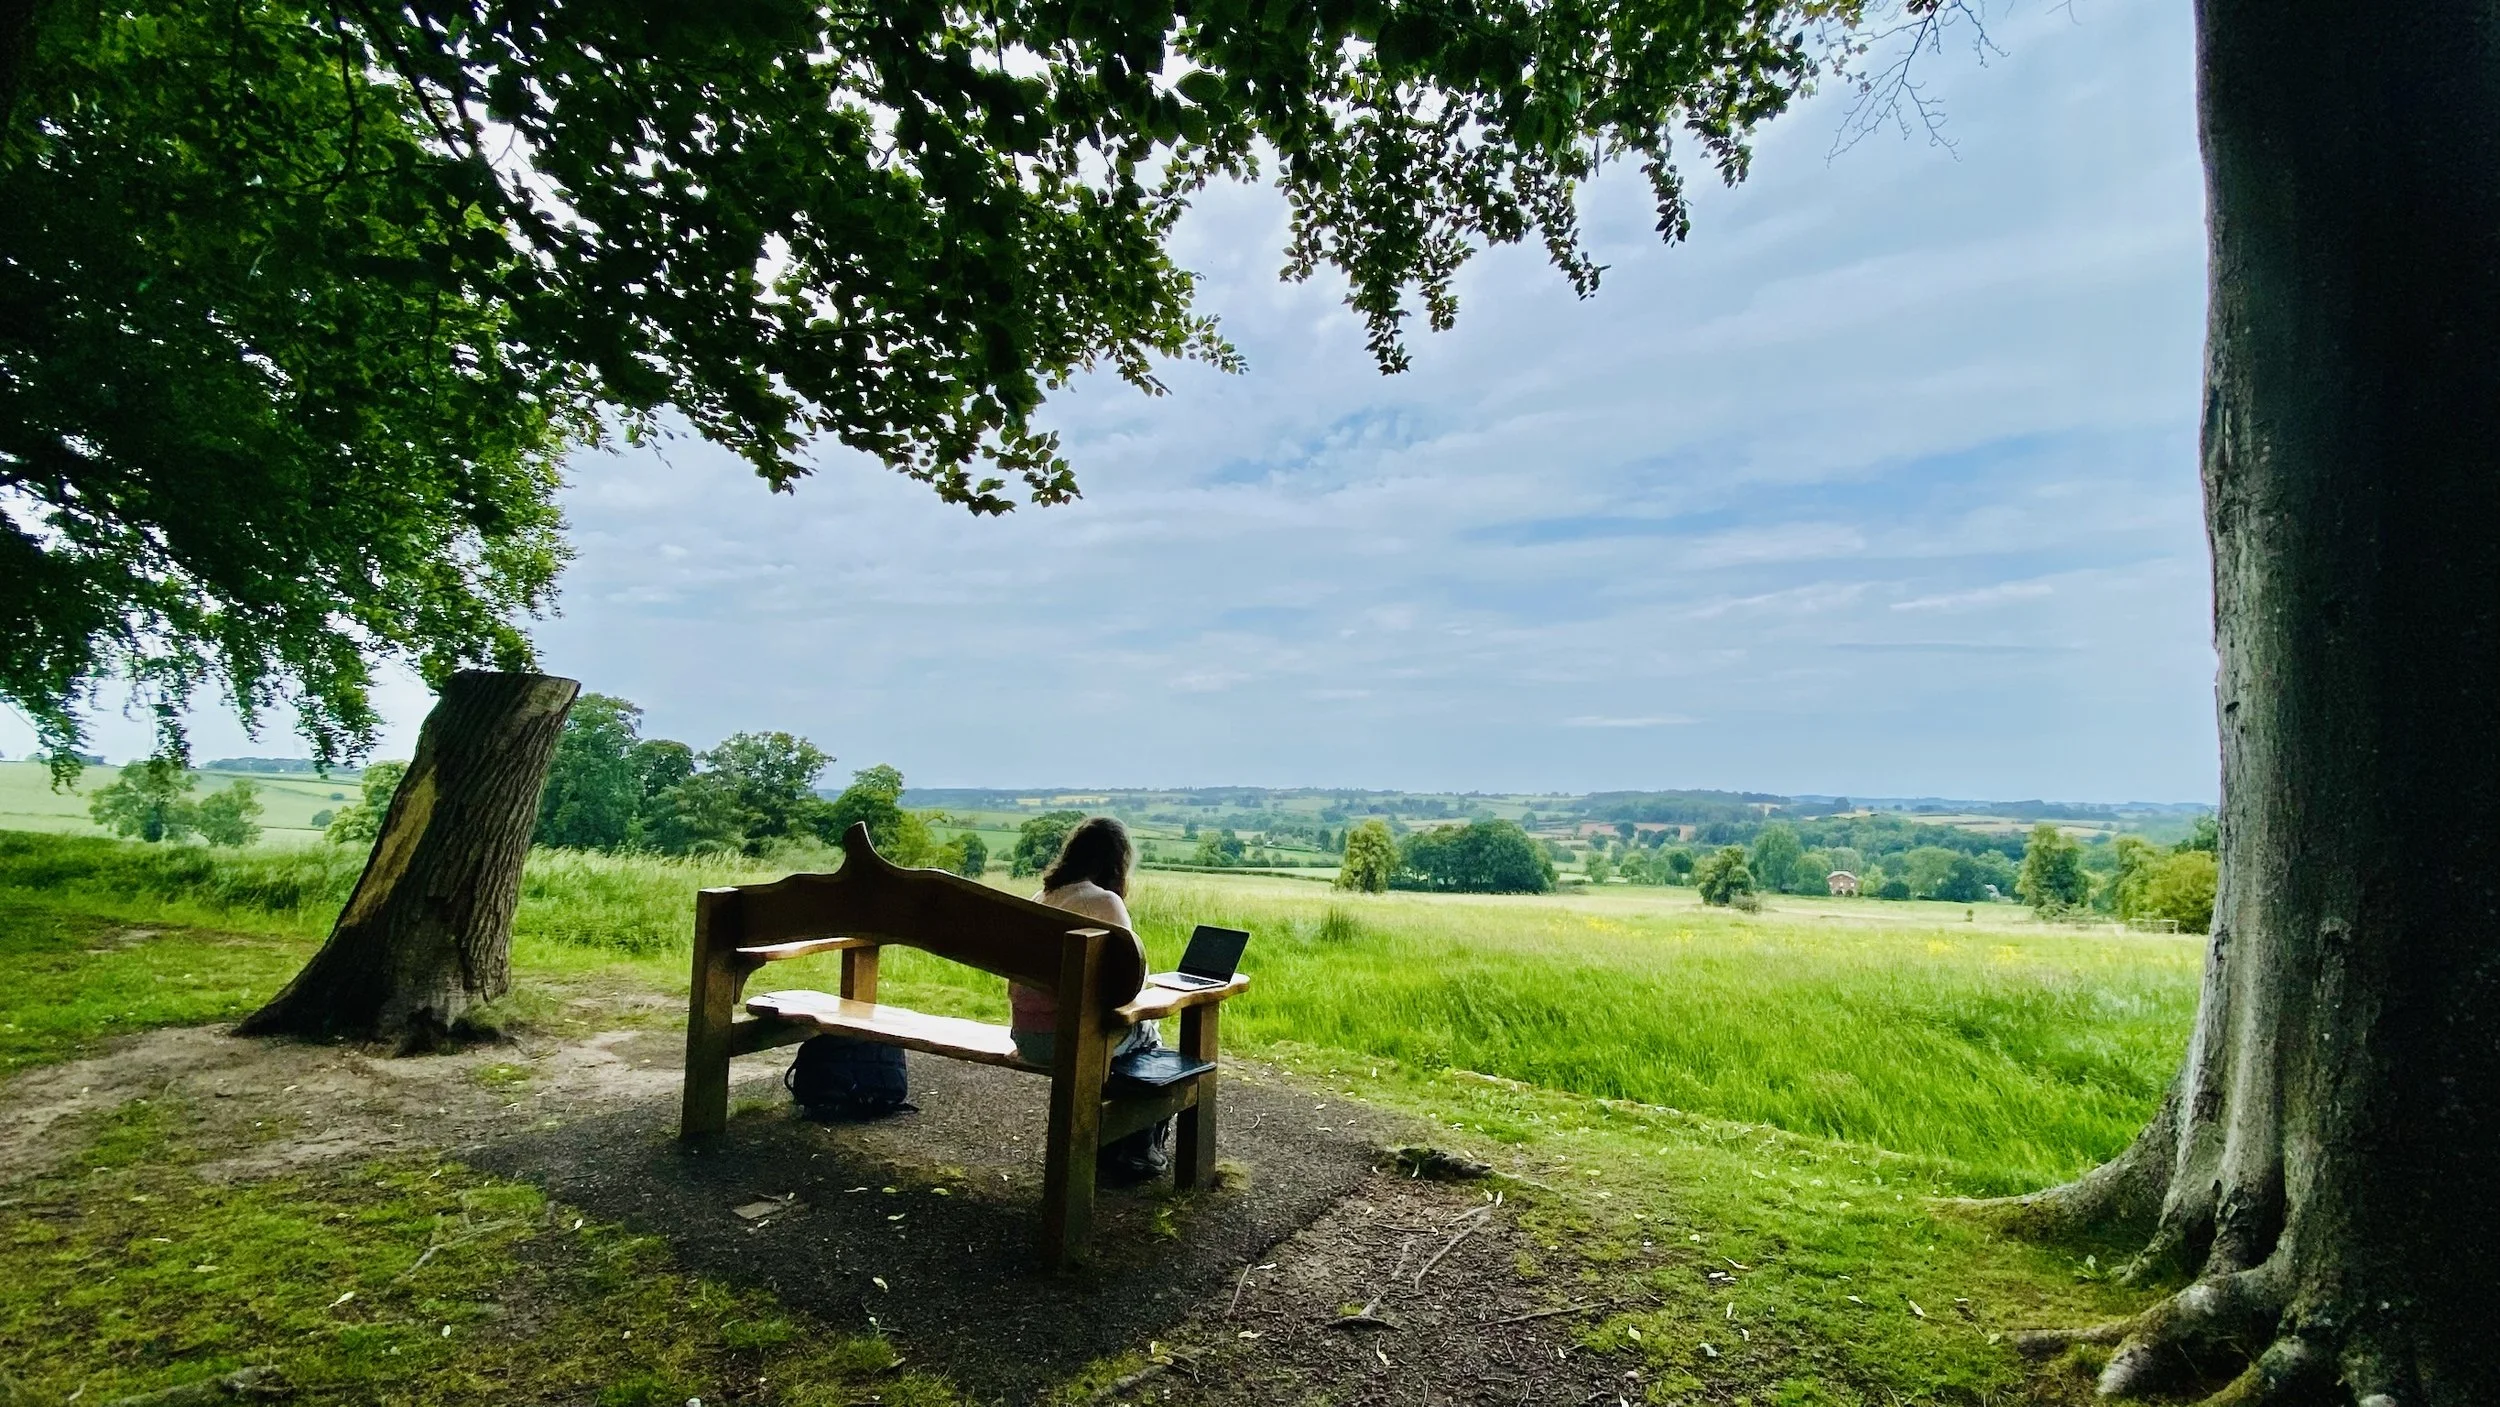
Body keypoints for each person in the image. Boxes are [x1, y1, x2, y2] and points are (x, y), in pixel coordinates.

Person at [1011, 816, 1169, 1182]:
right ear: (1116, 862)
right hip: (1068, 1042)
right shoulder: (1105, 902)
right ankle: (1136, 1146)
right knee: (1149, 1038)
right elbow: (1131, 982)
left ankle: (1115, 1143)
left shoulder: (1042, 898)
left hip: (1027, 1037)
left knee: (1124, 1041)